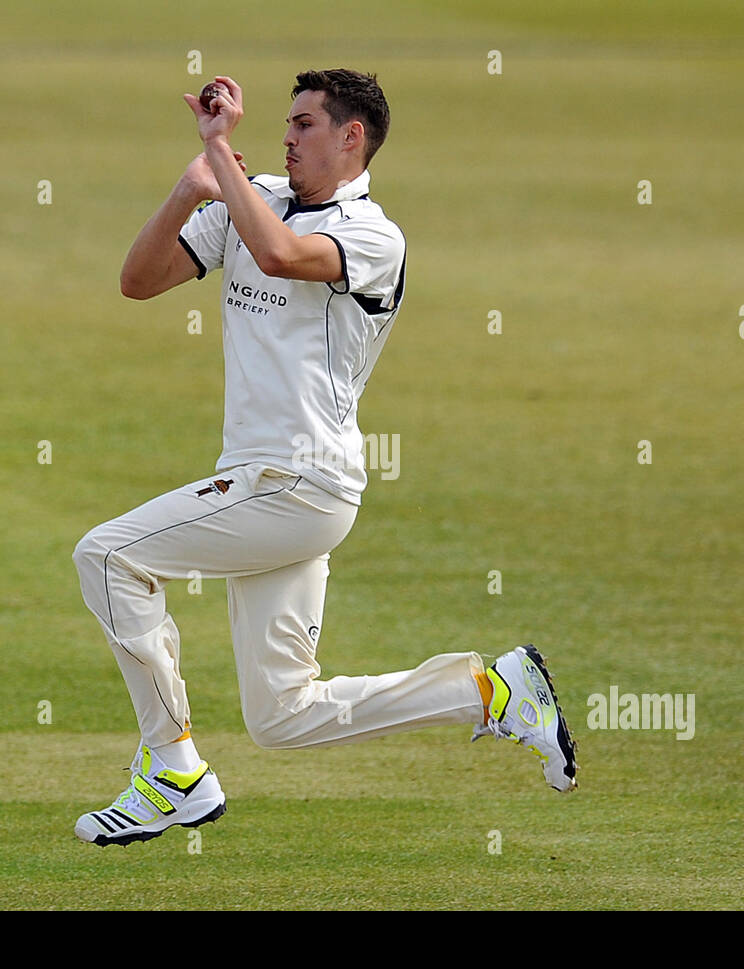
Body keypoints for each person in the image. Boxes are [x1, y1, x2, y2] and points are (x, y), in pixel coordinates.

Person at [71, 69, 577, 845]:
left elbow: (277, 256)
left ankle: (170, 769)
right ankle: (490, 689)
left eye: (305, 124)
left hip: (299, 481)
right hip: (264, 485)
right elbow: (137, 282)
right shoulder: (257, 196)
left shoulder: (375, 236)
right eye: (286, 123)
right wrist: (190, 187)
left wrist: (220, 157)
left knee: (107, 557)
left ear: (352, 138)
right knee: (283, 717)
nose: (286, 136)